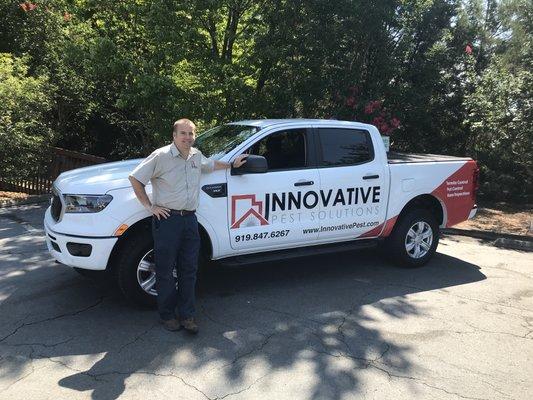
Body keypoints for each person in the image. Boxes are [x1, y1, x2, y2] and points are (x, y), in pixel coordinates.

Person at [128, 118, 247, 334]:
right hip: (167, 221)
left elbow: (211, 165)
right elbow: (136, 179)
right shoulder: (161, 156)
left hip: (191, 220)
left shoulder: (196, 155)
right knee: (164, 270)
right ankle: (167, 315)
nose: (188, 138)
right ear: (174, 136)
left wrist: (232, 164)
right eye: (183, 133)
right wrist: (150, 207)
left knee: (189, 269)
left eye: (191, 134)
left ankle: (188, 315)